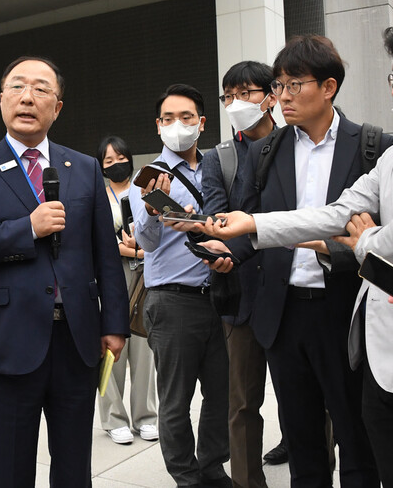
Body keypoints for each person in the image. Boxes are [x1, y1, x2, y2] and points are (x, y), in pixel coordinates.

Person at [205, 17, 393, 487]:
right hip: (380, 355)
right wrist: (253, 223)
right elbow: (340, 211)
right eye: (392, 77)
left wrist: (364, 243)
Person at [199, 37, 391, 488]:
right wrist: (226, 252)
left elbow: (379, 237)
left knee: (355, 434)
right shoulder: (267, 151)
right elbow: (252, 223)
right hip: (282, 314)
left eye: (293, 85)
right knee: (302, 437)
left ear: (329, 87)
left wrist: (336, 250)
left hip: (343, 309)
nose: (281, 96)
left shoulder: (371, 146)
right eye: (278, 85)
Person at [0, 56, 129, 487]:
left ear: (58, 106)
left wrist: (115, 324)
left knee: (73, 471)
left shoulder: (82, 167)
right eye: (18, 87)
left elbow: (105, 252)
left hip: (77, 343)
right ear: (2, 99)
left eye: (41, 89)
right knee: (7, 472)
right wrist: (27, 228)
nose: (28, 97)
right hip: (8, 345)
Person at [128, 84, 232, 488]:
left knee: (221, 393)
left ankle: (212, 465)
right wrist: (155, 210)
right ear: (158, 127)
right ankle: (186, 477)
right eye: (169, 119)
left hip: (220, 294)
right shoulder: (149, 176)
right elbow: (147, 242)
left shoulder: (217, 167)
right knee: (175, 400)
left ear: (202, 123)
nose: (178, 126)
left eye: (187, 117)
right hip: (172, 301)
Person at [203, 61, 287, 487]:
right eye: (229, 95)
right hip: (241, 295)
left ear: (272, 95)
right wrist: (218, 247)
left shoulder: (295, 145)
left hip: (295, 291)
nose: (237, 103)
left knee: (308, 400)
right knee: (241, 404)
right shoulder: (219, 157)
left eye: (247, 93)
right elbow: (215, 215)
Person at [95, 135, 158, 445]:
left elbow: (165, 227)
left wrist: (143, 251)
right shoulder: (97, 195)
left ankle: (146, 415)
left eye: (120, 158)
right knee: (110, 350)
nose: (116, 165)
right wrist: (125, 250)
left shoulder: (145, 191)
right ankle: (113, 417)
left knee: (145, 351)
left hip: (146, 278)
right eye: (108, 161)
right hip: (111, 278)